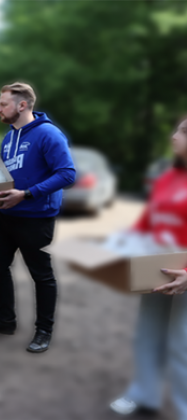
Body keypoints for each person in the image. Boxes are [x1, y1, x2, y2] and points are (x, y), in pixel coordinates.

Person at [0, 82, 75, 353]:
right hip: (7, 216)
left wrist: (27, 194)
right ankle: (5, 320)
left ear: (22, 105)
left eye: (3, 104)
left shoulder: (48, 134)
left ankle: (44, 331)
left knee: (41, 275)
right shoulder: (9, 137)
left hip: (37, 217)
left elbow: (67, 174)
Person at [109, 116, 187, 419]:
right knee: (147, 335)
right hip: (157, 268)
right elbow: (148, 222)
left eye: (183, 132)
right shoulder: (168, 177)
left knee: (182, 346)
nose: (173, 137)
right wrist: (120, 244)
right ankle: (144, 393)